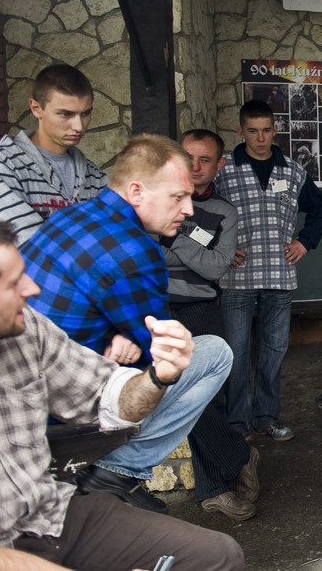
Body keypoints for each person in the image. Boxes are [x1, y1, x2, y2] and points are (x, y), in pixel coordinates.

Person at [0, 215, 245, 570]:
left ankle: (114, 476)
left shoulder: (27, 332)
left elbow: (109, 395)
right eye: (13, 284)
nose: (32, 288)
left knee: (217, 556)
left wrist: (160, 375)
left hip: (53, 515)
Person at [19, 135, 233, 515]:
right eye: (177, 197)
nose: (187, 209)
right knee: (214, 352)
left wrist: (116, 333)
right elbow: (163, 355)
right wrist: (133, 347)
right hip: (64, 409)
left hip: (25, 389)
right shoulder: (136, 250)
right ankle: (116, 470)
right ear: (136, 191)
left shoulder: (70, 215)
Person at [215, 99, 322, 441]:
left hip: (280, 277)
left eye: (266, 130)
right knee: (235, 353)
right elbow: (196, 210)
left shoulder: (292, 171)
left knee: (273, 352)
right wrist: (218, 247)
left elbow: (321, 208)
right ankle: (238, 423)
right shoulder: (224, 171)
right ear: (241, 132)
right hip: (237, 278)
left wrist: (304, 242)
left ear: (275, 131)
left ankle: (266, 417)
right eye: (252, 131)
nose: (260, 138)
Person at [162, 129, 260, 521]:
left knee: (203, 395)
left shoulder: (223, 212)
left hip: (200, 307)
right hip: (154, 307)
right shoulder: (158, 201)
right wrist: (193, 251)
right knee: (177, 395)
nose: (195, 167)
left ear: (219, 164)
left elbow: (217, 266)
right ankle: (237, 457)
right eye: (189, 158)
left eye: (205, 160)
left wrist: (172, 239)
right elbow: (139, 255)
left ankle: (213, 488)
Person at [0, 63, 107, 243]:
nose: (79, 126)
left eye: (85, 113)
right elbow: (27, 246)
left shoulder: (96, 177)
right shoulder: (1, 165)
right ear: (36, 108)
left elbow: (118, 238)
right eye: (65, 114)